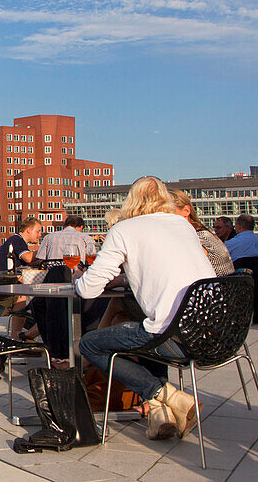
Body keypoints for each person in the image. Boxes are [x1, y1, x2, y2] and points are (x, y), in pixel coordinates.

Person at [76, 176, 214, 441]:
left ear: (131, 200)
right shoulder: (183, 226)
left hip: (177, 340)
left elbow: (88, 289)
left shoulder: (124, 230)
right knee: (149, 326)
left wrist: (81, 278)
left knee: (91, 344)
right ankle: (160, 419)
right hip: (213, 336)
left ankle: (169, 396)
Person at [170, 190, 234, 276]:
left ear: (186, 211)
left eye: (169, 213)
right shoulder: (204, 234)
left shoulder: (198, 238)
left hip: (215, 286)